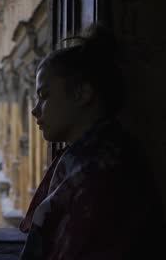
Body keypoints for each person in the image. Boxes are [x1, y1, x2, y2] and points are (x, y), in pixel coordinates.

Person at [18, 23, 166, 260]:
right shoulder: (96, 159)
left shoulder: (102, 179)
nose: (35, 110)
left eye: (44, 95)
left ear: (82, 94)